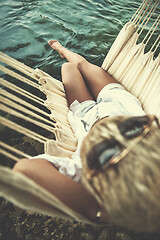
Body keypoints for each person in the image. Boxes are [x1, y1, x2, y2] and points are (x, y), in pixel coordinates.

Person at [13, 40, 145, 224]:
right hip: (119, 103)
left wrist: (94, 211)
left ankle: (61, 50)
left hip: (86, 116)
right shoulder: (149, 147)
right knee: (81, 65)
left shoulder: (85, 170)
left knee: (68, 68)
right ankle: (61, 49)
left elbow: (24, 169)